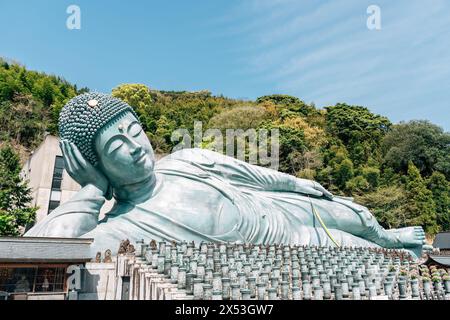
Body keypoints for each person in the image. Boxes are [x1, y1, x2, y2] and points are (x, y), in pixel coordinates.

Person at [26, 93, 426, 258]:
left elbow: (256, 176)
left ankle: (390, 234)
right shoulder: (120, 225)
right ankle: (390, 247)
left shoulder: (185, 160)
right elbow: (39, 255)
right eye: (116, 147)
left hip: (276, 207)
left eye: (135, 132)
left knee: (356, 215)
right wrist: (92, 192)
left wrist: (297, 182)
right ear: (96, 163)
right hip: (283, 246)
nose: (134, 147)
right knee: (371, 255)